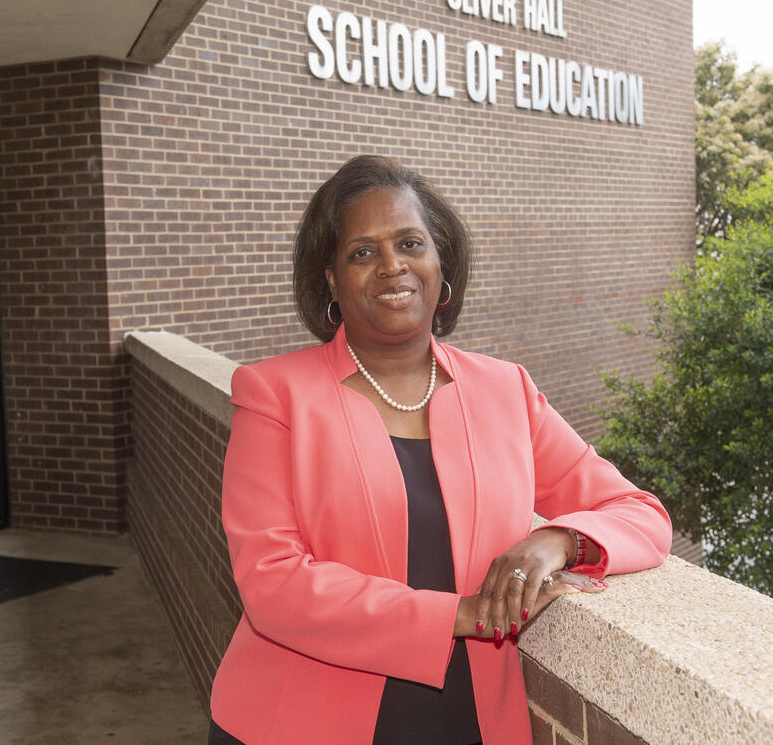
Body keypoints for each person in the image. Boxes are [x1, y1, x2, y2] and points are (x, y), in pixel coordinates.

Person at [208, 155, 671, 745]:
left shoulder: (506, 390)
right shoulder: (274, 394)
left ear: (440, 262)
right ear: (331, 281)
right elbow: (272, 582)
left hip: (471, 721)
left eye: (410, 243)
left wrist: (557, 541)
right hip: (301, 721)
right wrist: (463, 614)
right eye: (362, 252)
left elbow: (640, 514)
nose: (392, 265)